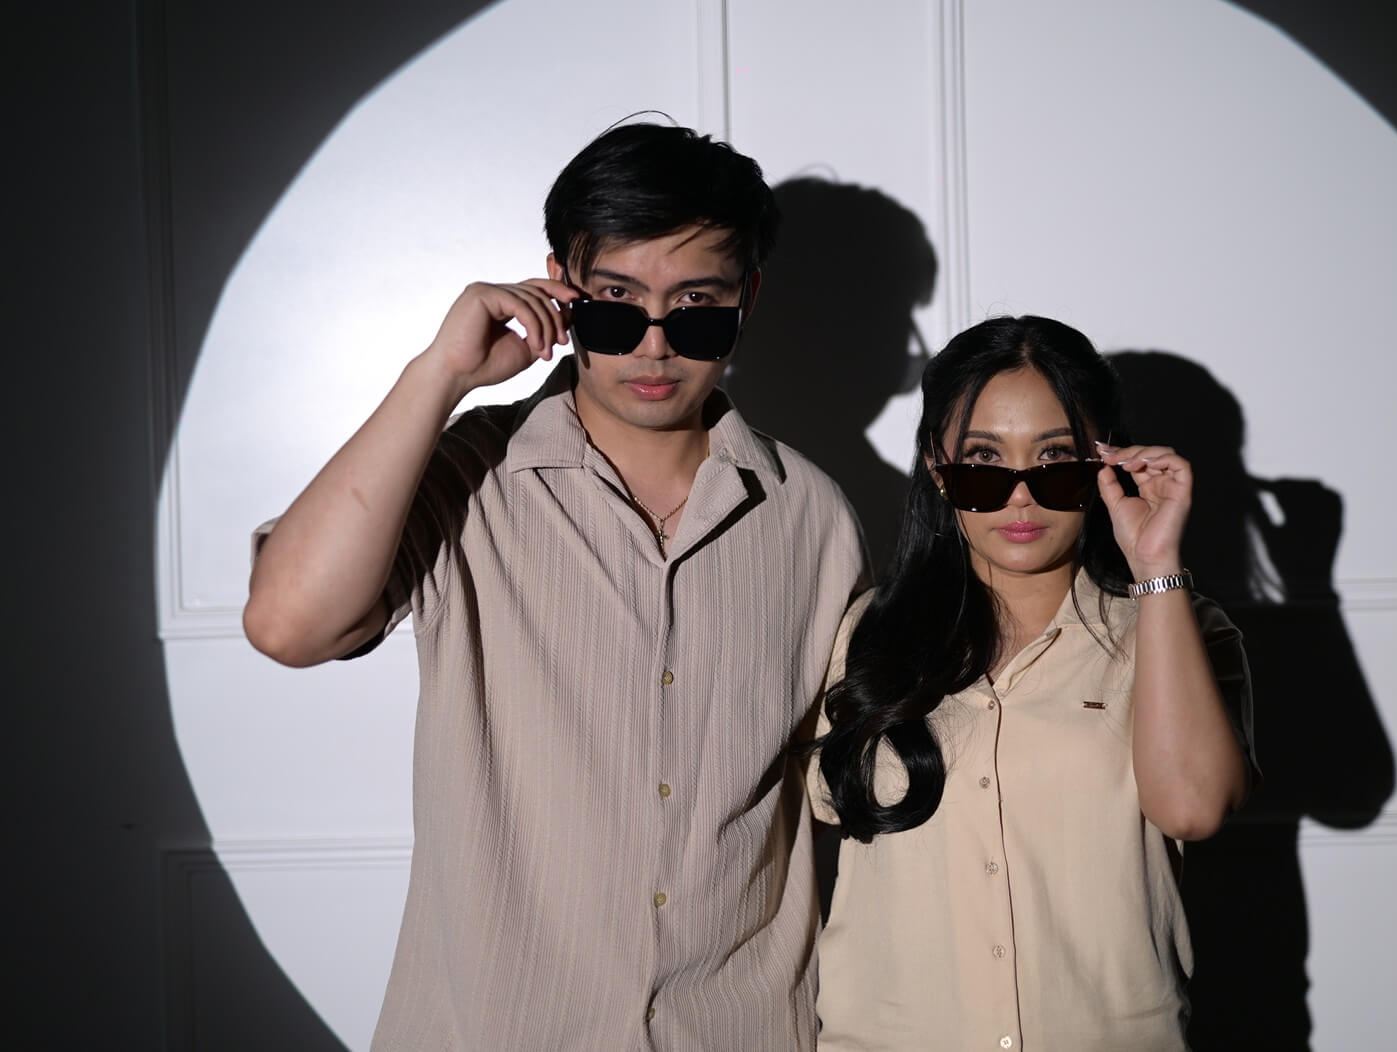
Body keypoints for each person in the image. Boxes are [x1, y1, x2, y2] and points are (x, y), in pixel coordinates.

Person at [243, 122, 865, 1050]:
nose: (653, 347)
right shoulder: (468, 476)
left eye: (696, 308)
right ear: (559, 289)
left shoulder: (810, 514)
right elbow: (289, 625)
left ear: (747, 299)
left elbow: (844, 793)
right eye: (615, 305)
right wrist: (440, 374)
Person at [809, 316, 1256, 1050]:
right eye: (983, 462)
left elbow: (1192, 808)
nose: (1020, 497)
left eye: (1055, 462)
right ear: (937, 468)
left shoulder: (1177, 628)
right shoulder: (863, 635)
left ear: (1105, 465)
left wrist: (1156, 568)